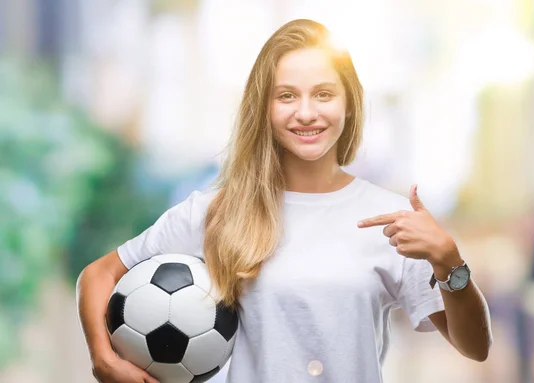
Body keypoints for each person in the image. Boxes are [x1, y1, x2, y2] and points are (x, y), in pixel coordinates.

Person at [76, 18, 492, 383]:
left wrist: (449, 262)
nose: (306, 113)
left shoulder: (389, 218)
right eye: (287, 95)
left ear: (349, 103)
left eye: (324, 94)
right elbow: (97, 276)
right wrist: (102, 357)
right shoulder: (218, 210)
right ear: (265, 107)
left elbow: (474, 346)